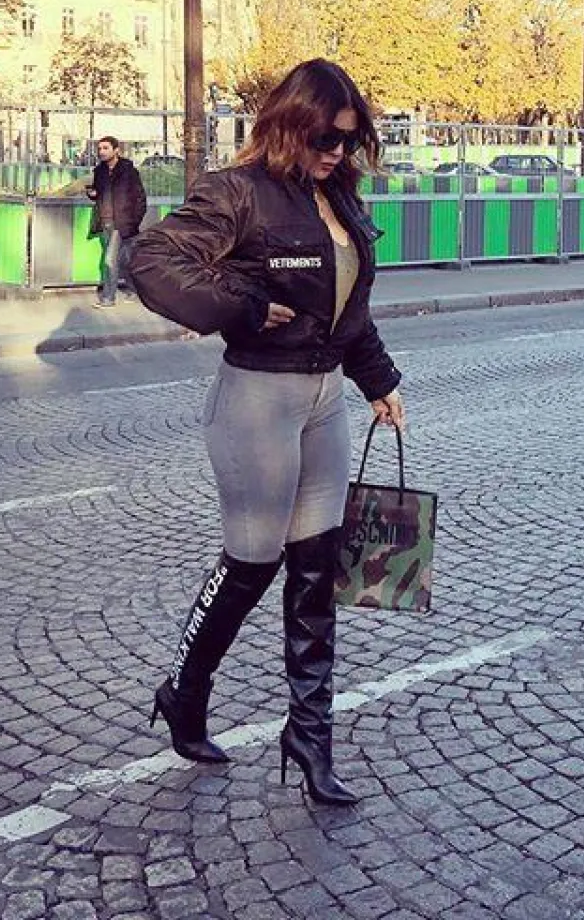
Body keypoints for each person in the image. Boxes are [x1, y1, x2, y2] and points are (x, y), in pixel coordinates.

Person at [130, 59, 404, 807]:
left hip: (325, 400)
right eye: (325, 137)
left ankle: (311, 739)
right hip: (256, 401)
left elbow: (347, 308)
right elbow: (150, 260)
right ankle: (185, 690)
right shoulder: (239, 192)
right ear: (290, 125)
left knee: (317, 570)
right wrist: (242, 306)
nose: (337, 152)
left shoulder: (338, 197)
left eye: (348, 139)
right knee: (252, 562)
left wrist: (379, 381)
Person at [85, 136, 146, 307]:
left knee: (109, 260)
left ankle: (108, 298)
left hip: (123, 222)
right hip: (105, 222)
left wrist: (134, 220)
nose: (101, 152)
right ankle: (134, 290)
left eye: (105, 148)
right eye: (99, 149)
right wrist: (93, 195)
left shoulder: (129, 171)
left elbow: (140, 198)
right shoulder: (100, 171)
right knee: (124, 259)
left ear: (116, 150)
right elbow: (98, 193)